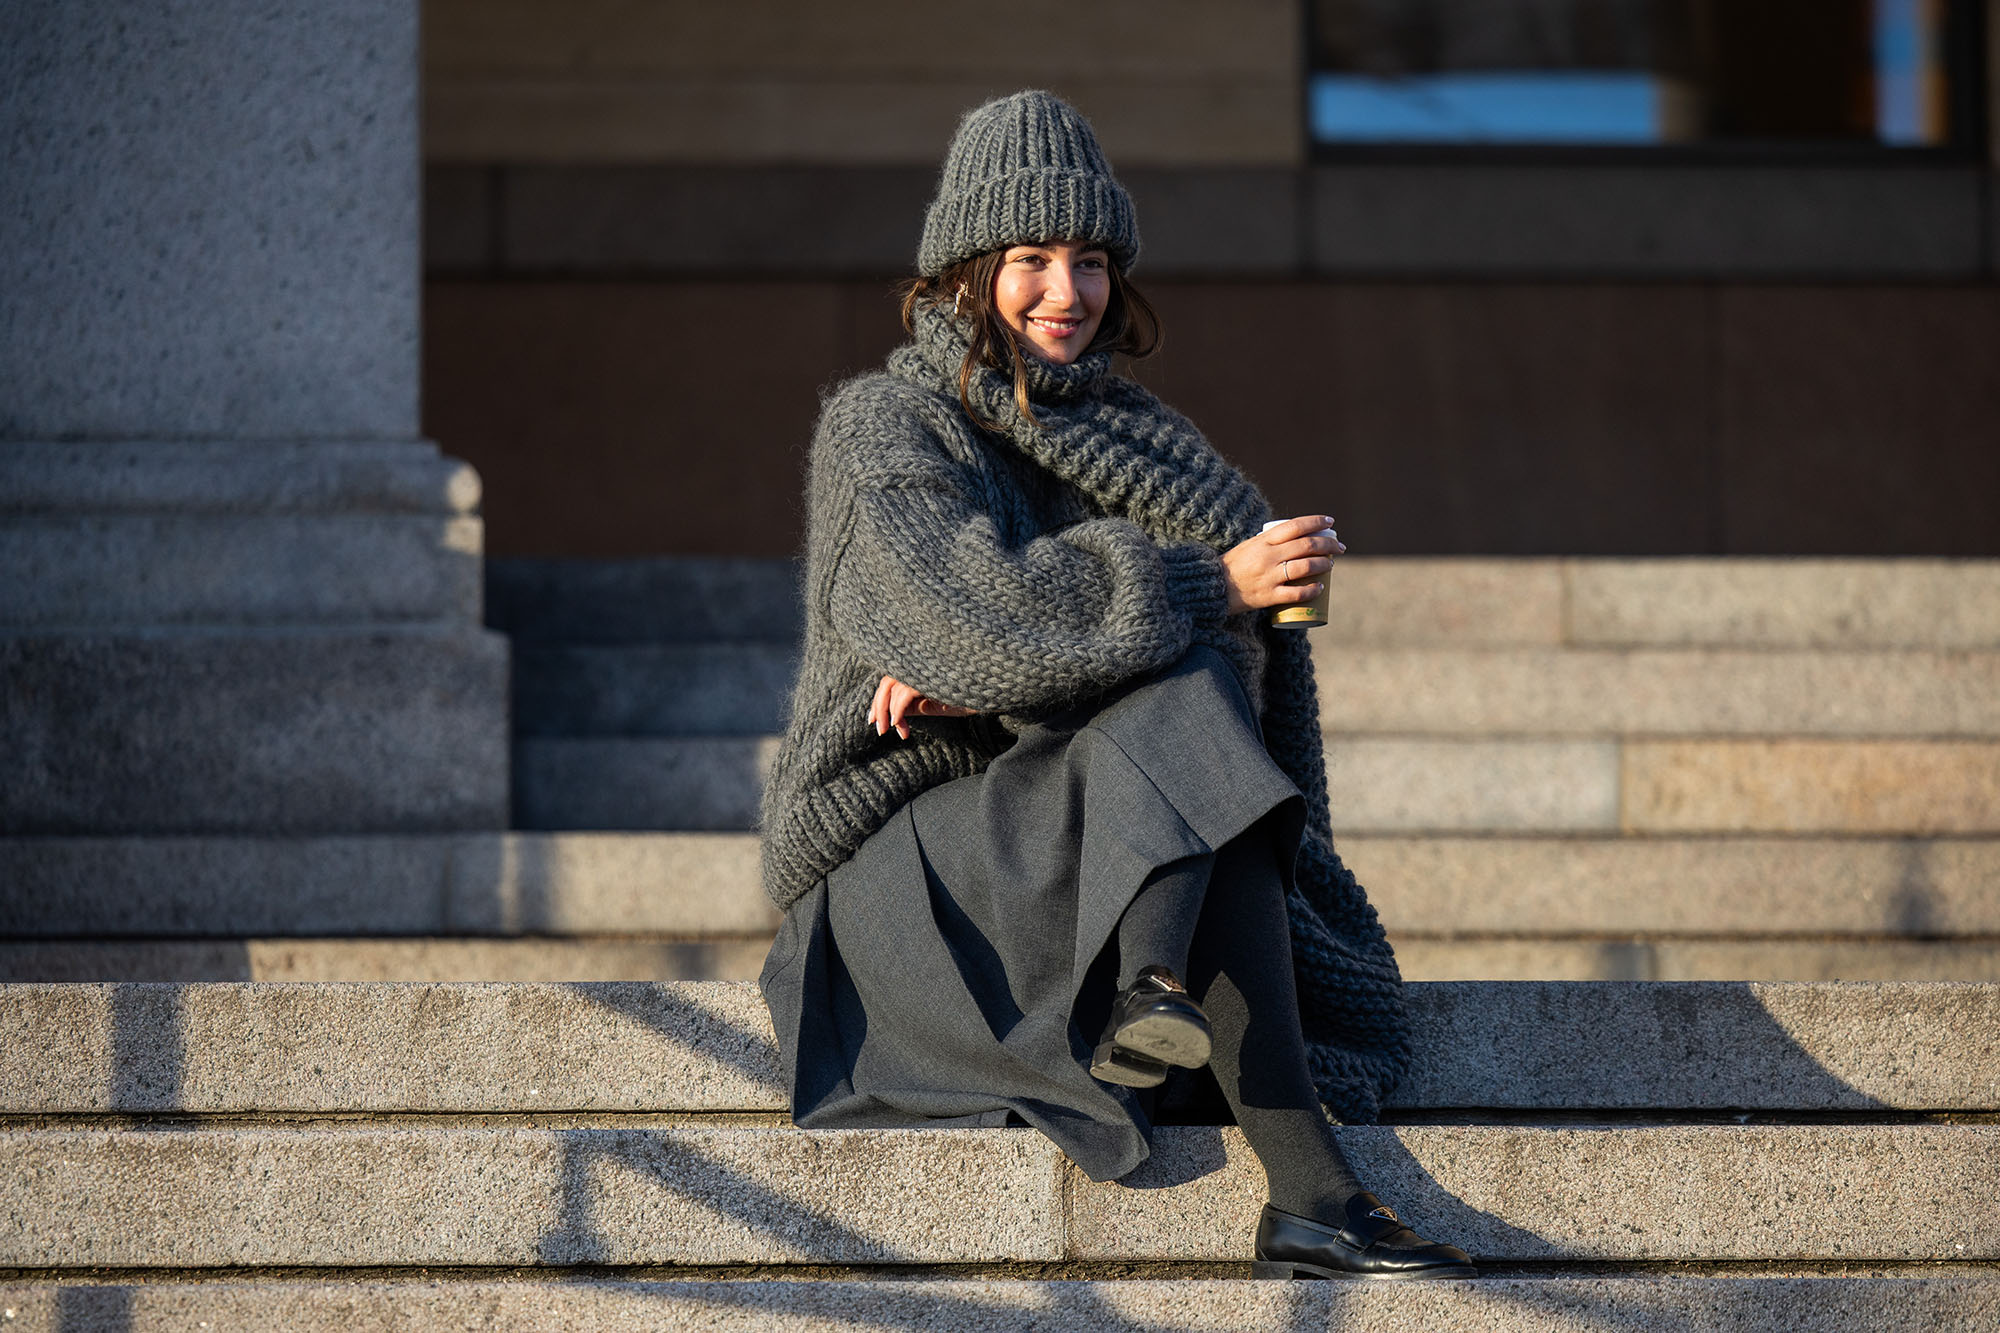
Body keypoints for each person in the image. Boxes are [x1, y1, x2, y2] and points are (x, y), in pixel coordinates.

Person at [758, 89, 1474, 1281]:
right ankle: (1288, 1160)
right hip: (911, 893)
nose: (1066, 290)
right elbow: (967, 615)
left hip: (1092, 850)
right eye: (1031, 257)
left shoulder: (1142, 444)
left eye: (1089, 259)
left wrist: (1014, 680)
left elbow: (1210, 685)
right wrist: (1182, 596)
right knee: (1180, 657)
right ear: (962, 272)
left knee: (1190, 691)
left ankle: (1168, 998)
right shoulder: (884, 426)